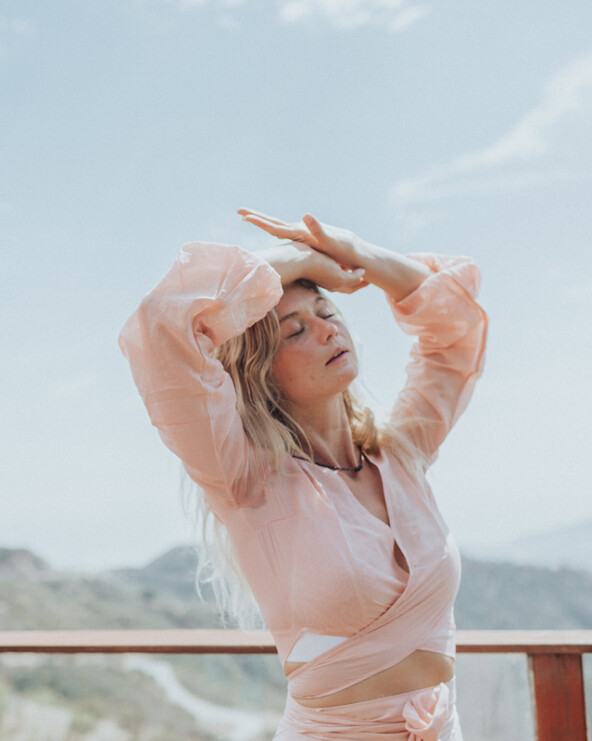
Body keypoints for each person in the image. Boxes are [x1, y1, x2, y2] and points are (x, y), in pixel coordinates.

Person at [118, 209, 488, 740]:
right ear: (262, 373)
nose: (326, 330)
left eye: (326, 311)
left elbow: (458, 330)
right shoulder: (246, 478)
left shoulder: (402, 454)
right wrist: (302, 261)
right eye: (295, 331)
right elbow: (164, 322)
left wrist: (357, 251)